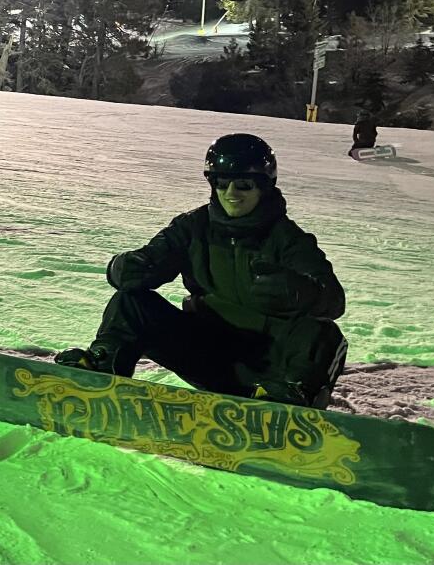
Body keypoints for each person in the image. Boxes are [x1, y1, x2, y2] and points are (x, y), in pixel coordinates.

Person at [56, 134, 347, 409]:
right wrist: (125, 269)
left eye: (244, 185)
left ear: (263, 187)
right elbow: (147, 260)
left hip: (267, 366)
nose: (231, 193)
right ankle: (100, 374)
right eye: (222, 183)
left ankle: (291, 402)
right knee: (130, 301)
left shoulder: (289, 239)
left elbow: (333, 300)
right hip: (209, 353)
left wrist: (299, 291)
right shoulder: (192, 227)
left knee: (324, 333)